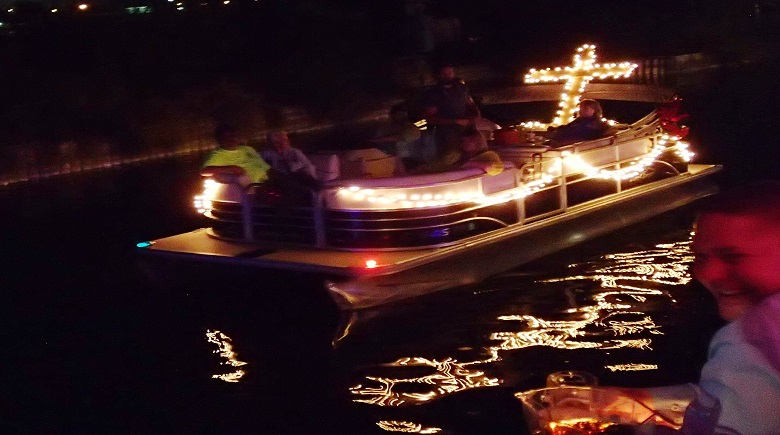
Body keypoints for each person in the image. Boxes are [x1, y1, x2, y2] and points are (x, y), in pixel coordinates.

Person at [601, 181, 780, 434]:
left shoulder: (754, 339)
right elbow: (741, 395)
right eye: (701, 257)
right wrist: (633, 401)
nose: (708, 273)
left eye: (733, 257)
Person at [422, 64, 481, 154]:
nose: (447, 76)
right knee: (453, 156)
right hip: (447, 131)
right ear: (437, 75)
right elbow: (430, 119)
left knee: (477, 149)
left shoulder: (461, 88)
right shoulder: (433, 93)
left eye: (450, 72)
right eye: (444, 74)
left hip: (466, 127)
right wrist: (455, 121)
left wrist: (476, 115)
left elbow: (471, 104)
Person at [200, 123, 271, 186]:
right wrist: (231, 168)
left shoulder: (248, 149)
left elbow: (265, 167)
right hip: (252, 188)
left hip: (268, 182)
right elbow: (205, 172)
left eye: (232, 135)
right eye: (226, 137)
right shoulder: (217, 154)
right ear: (220, 140)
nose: (231, 139)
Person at [413, 127, 503, 176]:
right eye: (464, 141)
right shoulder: (455, 154)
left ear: (478, 141)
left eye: (470, 141)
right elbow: (437, 167)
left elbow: (495, 169)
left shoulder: (488, 155)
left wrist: (470, 164)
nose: (465, 144)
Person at [546, 99, 615, 145]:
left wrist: (561, 131)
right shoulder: (580, 119)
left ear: (594, 110)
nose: (581, 110)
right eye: (581, 108)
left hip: (578, 144)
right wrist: (556, 129)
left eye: (585, 108)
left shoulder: (596, 123)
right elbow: (568, 126)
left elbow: (580, 131)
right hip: (568, 141)